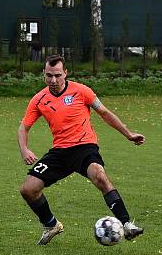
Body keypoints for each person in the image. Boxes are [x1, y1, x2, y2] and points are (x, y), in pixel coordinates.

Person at [18, 56, 145, 245]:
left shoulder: (81, 91)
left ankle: (127, 224)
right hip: (60, 152)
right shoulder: (39, 99)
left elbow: (105, 113)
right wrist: (25, 149)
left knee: (100, 176)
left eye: (58, 75)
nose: (53, 80)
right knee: (28, 189)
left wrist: (128, 134)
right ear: (44, 74)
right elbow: (24, 127)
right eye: (49, 76)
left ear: (66, 73)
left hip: (84, 147)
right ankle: (51, 225)